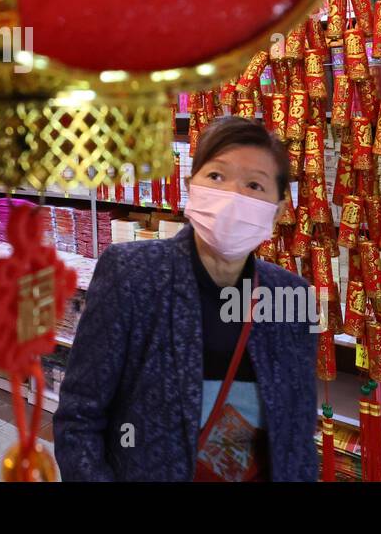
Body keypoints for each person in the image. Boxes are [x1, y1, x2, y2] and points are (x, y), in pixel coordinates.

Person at [54, 116, 318, 481]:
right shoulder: (131, 275)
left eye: (254, 184)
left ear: (279, 212)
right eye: (216, 177)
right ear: (190, 186)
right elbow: (79, 419)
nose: (232, 197)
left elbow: (298, 435)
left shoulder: (293, 297)